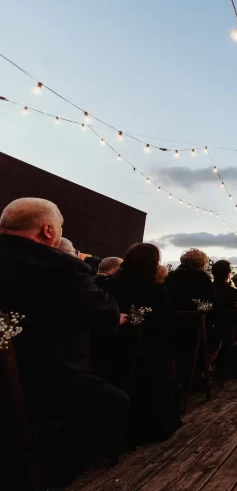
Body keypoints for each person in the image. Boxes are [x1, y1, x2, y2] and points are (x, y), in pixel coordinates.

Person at [0, 198, 129, 487]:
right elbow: (105, 315)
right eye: (59, 226)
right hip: (41, 377)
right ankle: (48, 474)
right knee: (114, 403)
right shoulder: (60, 267)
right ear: (48, 230)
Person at [104, 243, 181, 443]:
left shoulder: (108, 286)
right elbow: (169, 328)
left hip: (109, 355)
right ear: (153, 265)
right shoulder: (157, 291)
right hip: (149, 361)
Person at [164, 248, 222, 365]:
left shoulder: (169, 277)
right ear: (201, 264)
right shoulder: (202, 278)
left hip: (169, 330)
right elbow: (216, 307)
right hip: (195, 332)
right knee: (218, 337)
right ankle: (199, 370)